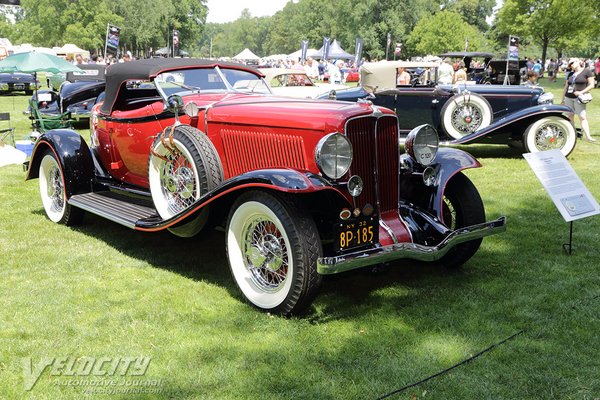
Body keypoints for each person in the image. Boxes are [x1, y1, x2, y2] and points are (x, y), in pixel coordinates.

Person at [562, 58, 595, 142]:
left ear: (578, 62)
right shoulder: (570, 74)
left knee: (582, 117)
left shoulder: (587, 71)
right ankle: (571, 134)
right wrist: (563, 99)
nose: (571, 65)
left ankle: (588, 136)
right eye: (569, 64)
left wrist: (581, 92)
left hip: (579, 98)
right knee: (569, 116)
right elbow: (566, 86)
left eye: (572, 63)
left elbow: (592, 85)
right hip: (568, 97)